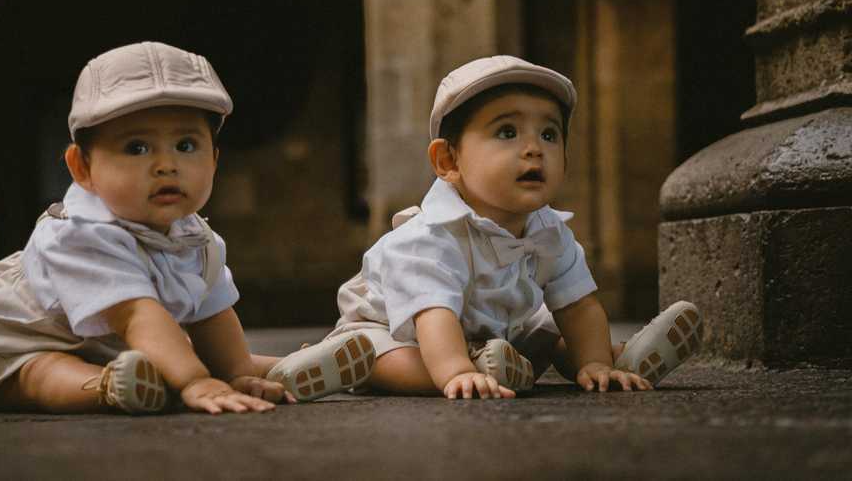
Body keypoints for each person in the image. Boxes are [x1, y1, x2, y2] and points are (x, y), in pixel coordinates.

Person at [0, 42, 372, 414]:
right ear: (82, 167)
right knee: (42, 374)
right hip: (29, 340)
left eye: (186, 145)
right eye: (137, 147)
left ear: (214, 161)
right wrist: (197, 382)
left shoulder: (198, 239)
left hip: (132, 347)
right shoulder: (80, 234)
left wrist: (234, 373)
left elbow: (213, 315)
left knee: (206, 358)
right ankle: (108, 389)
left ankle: (276, 372)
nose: (166, 165)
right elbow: (135, 315)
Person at [273, 55, 702, 400]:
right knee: (386, 359)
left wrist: (592, 360)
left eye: (550, 135)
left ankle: (614, 363)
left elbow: (579, 305)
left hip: (496, 334)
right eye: (508, 132)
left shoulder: (550, 230)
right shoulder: (428, 238)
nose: (534, 149)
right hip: (399, 331)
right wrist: (458, 371)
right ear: (448, 162)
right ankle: (356, 365)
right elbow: (435, 316)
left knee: (551, 332)